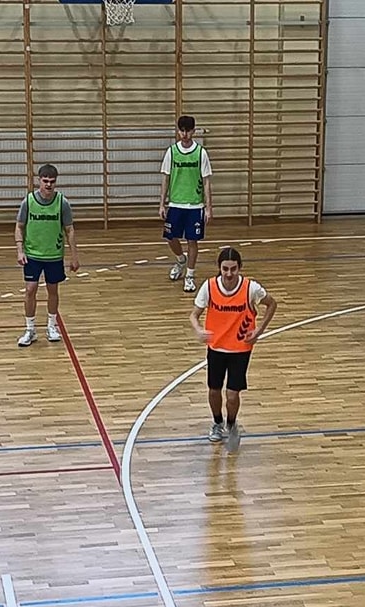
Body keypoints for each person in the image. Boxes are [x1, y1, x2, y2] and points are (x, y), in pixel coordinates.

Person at [189, 247, 277, 445]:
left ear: (240, 267)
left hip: (240, 349)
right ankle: (217, 422)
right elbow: (194, 314)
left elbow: (272, 304)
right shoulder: (209, 286)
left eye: (233, 269)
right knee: (214, 390)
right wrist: (198, 329)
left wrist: (259, 330)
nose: (229, 273)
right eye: (225, 269)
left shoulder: (251, 288)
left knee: (232, 394)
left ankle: (231, 423)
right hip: (216, 348)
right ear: (219, 268)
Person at [15, 164, 79, 346]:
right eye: (45, 181)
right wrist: (20, 250)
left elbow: (69, 230)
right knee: (30, 289)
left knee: (53, 290)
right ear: (39, 181)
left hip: (54, 255)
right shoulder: (28, 202)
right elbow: (19, 226)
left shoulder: (62, 203)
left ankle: (52, 326)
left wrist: (74, 256)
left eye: (52, 181)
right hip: (32, 254)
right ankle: (30, 329)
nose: (49, 185)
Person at [159, 115, 214, 293]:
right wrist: (162, 204)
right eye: (181, 130)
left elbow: (206, 182)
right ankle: (181, 260)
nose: (184, 134)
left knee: (192, 241)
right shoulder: (171, 152)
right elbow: (165, 178)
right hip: (175, 203)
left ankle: (190, 275)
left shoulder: (201, 153)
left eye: (188, 131)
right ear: (178, 131)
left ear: (193, 131)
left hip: (195, 205)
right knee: (170, 237)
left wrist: (208, 207)